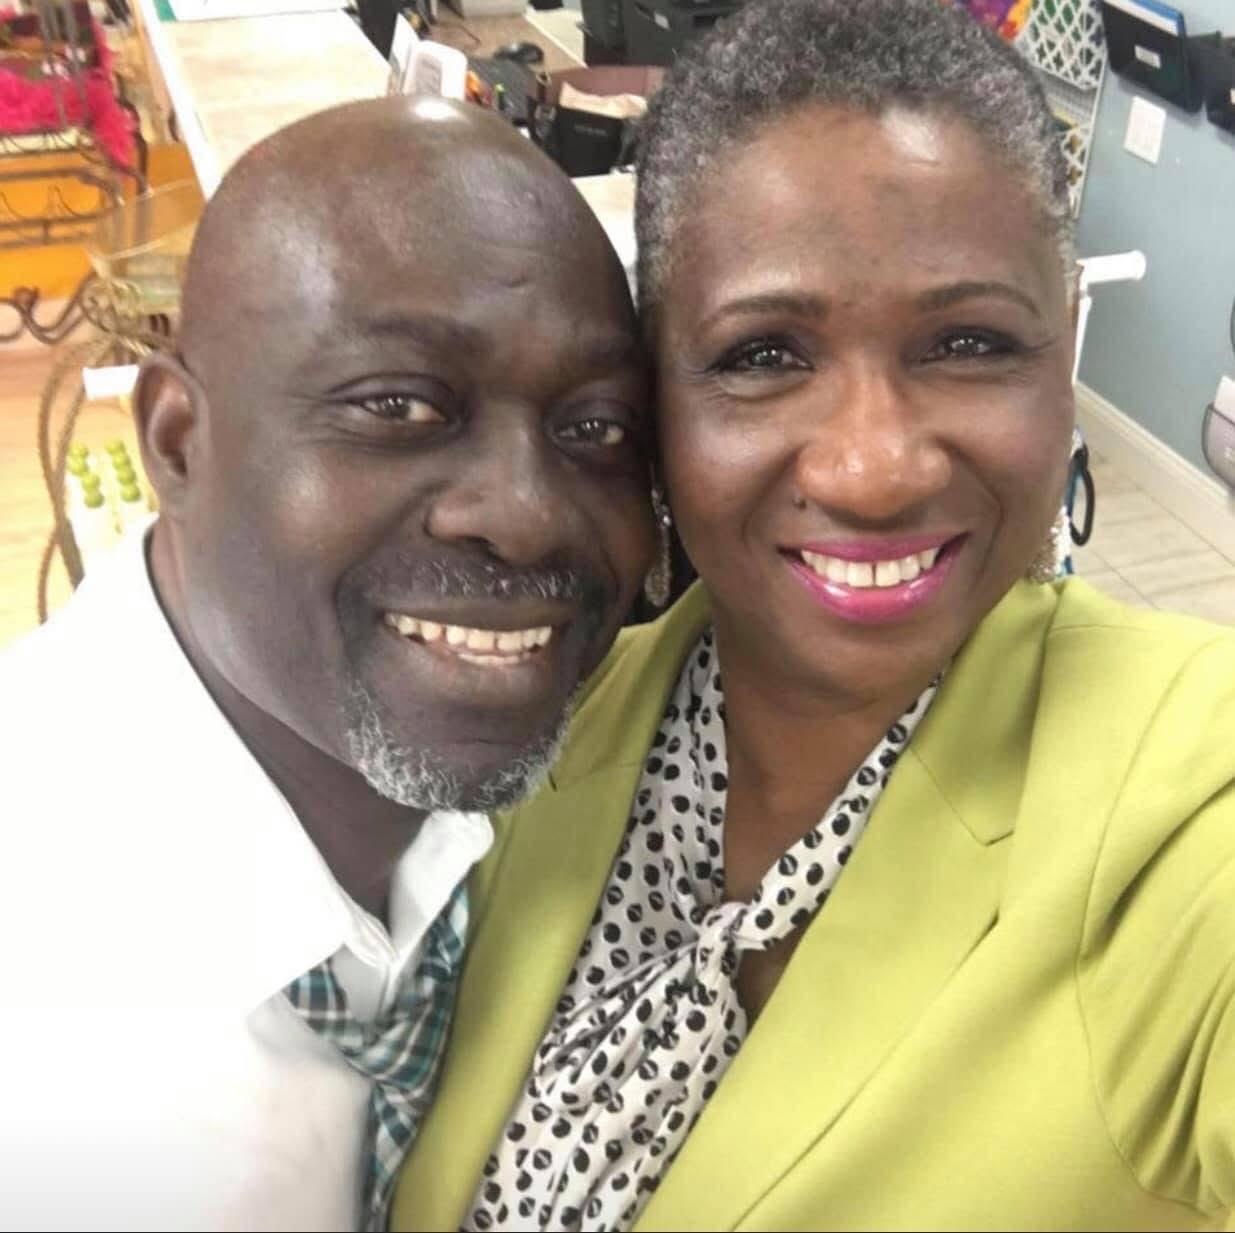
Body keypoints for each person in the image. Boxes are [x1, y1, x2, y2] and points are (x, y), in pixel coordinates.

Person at [391, 2, 1235, 1229]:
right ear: (653, 407)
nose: (872, 466)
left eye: (966, 341)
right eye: (762, 356)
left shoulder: (1181, 807)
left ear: (1063, 370)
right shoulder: (543, 735)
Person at [0, 97, 653, 1232]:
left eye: (592, 427)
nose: (525, 515)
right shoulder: (50, 1045)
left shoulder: (583, 803)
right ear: (175, 442)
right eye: (395, 406)